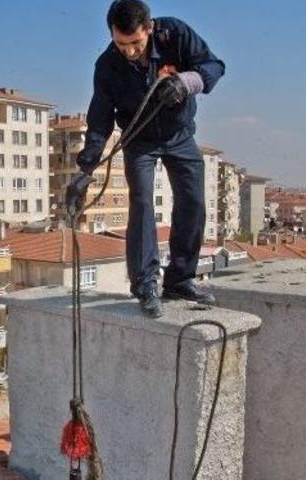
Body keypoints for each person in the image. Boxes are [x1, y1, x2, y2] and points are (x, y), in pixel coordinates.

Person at [66, 0, 225, 317]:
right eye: (120, 44)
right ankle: (145, 286)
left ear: (149, 29)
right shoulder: (107, 66)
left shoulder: (175, 34)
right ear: (112, 34)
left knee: (193, 201)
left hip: (180, 135)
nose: (129, 51)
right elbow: (100, 120)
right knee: (141, 204)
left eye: (135, 43)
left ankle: (180, 280)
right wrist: (86, 169)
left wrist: (184, 83)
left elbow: (214, 66)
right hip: (139, 140)